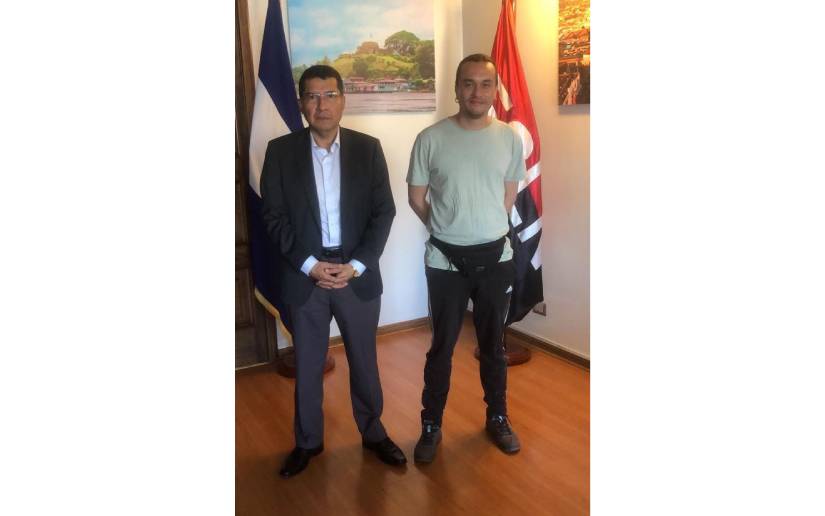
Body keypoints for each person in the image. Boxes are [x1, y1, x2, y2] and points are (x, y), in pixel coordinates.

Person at [261, 64, 405, 478]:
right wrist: (310, 265)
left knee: (364, 361)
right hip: (304, 274)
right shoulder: (280, 152)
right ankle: (308, 441)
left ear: (343, 100)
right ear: (301, 103)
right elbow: (273, 217)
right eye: (312, 96)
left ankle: (373, 433)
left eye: (329, 95)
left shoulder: (368, 149)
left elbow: (384, 212)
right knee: (308, 365)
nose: (321, 104)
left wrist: (356, 265)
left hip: (355, 274)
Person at [406, 54, 526, 463]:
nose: (477, 92)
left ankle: (498, 417)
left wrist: (482, 228)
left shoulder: (509, 138)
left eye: (485, 84)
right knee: (441, 347)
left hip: (496, 259)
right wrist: (448, 228)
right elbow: (417, 198)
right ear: (456, 89)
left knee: (493, 346)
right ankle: (431, 424)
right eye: (468, 83)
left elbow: (507, 195)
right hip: (445, 263)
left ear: (494, 90)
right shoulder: (430, 138)